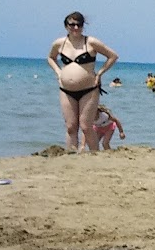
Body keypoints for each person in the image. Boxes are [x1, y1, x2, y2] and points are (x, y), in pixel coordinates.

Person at [47, 11, 119, 152]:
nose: (75, 28)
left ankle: (94, 155)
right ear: (66, 26)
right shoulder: (59, 44)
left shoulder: (91, 42)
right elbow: (51, 58)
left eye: (78, 25)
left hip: (89, 90)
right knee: (71, 126)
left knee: (86, 126)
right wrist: (58, 72)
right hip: (66, 90)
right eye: (72, 24)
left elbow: (113, 56)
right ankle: (71, 154)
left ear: (82, 26)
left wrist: (99, 73)